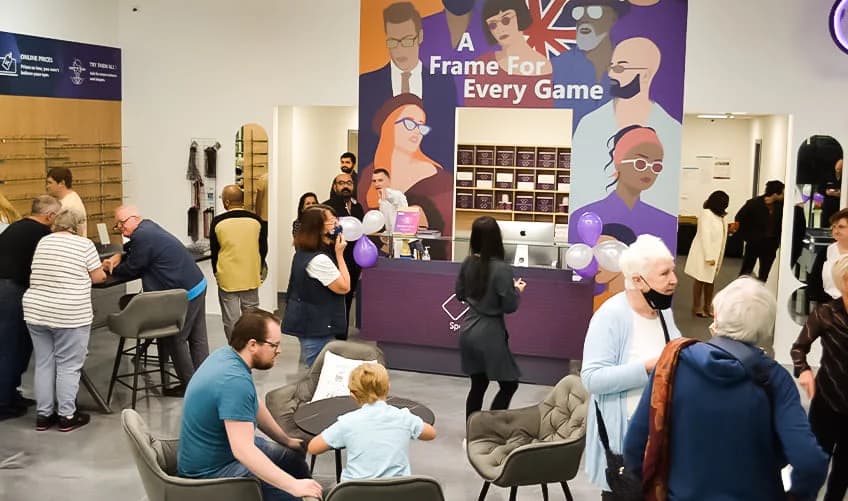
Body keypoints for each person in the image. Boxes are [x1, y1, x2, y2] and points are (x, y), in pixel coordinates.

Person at [625, 277, 828, 500]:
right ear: (767, 327)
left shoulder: (673, 364)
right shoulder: (776, 379)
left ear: (717, 315)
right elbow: (810, 462)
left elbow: (635, 445)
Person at [177, 309, 322, 501]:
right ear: (253, 345)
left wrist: (285, 440)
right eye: (274, 345)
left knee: (291, 456)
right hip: (211, 473)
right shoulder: (234, 381)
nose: (279, 351)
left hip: (219, 452)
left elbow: (254, 404)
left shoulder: (227, 356)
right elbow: (243, 451)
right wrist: (293, 486)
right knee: (290, 495)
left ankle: (308, 489)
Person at [580, 234, 681, 495]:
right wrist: (647, 367)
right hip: (624, 446)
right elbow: (592, 378)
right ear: (638, 280)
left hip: (659, 439)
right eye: (665, 274)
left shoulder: (664, 312)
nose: (674, 280)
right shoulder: (610, 317)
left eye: (673, 271)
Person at [102, 205, 209, 393]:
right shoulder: (148, 227)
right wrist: (119, 255)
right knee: (197, 338)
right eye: (118, 224)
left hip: (186, 293)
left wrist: (111, 268)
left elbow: (133, 266)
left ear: (135, 218)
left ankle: (189, 387)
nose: (120, 227)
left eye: (122, 222)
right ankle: (204, 383)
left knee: (177, 339)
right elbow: (134, 249)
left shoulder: (142, 236)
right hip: (197, 284)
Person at [571, 37, 681, 218]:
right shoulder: (589, 125)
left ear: (645, 74)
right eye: (612, 67)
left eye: (620, 68)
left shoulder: (671, 129)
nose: (612, 75)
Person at [23, 209, 107, 431]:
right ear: (78, 226)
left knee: (43, 363)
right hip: (69, 313)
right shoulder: (84, 245)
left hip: (36, 310)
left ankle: (43, 415)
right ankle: (67, 416)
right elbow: (98, 277)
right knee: (69, 366)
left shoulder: (43, 242)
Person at [358, 1, 457, 172]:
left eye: (407, 40)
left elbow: (446, 137)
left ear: (420, 36)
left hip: (430, 176)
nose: (400, 50)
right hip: (381, 176)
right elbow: (368, 139)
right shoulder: (368, 84)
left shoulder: (443, 84)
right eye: (393, 42)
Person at [307, 362, 437, 481]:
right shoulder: (403, 417)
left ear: (353, 394)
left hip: (355, 494)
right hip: (397, 493)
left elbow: (313, 447)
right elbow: (431, 434)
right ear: (388, 387)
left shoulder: (347, 422)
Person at [455, 216, 526, 420]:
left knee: (478, 384)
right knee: (509, 384)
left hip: (468, 329)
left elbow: (460, 294)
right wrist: (516, 290)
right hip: (490, 334)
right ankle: (491, 427)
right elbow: (510, 306)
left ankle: (472, 430)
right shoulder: (502, 269)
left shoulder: (468, 262)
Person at [358, 93, 454, 243]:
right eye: (409, 123)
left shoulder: (441, 179)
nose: (416, 130)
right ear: (389, 124)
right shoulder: (368, 175)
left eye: (421, 126)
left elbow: (444, 231)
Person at [792, 253, 848, 500]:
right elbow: (798, 348)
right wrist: (803, 370)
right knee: (815, 460)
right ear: (843, 282)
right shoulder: (826, 313)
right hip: (827, 399)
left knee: (844, 470)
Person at [569, 125, 677, 250]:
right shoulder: (583, 218)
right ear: (618, 161)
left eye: (656, 166)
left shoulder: (666, 221)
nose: (649, 170)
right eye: (640, 163)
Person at [0, 195, 60, 421]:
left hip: (7, 288)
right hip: (11, 290)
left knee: (16, 345)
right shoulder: (42, 234)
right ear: (50, 216)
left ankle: (11, 394)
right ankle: (3, 403)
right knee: (11, 347)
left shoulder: (17, 227)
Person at [282, 205, 350, 367]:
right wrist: (340, 255)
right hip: (315, 325)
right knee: (317, 372)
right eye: (331, 222)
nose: (336, 226)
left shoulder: (306, 252)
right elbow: (344, 286)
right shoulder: (318, 260)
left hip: (313, 321)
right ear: (318, 228)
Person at [552, 0, 629, 126]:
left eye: (594, 12)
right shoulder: (556, 67)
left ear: (613, 18)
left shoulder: (630, 65)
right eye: (579, 13)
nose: (584, 19)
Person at [464, 0, 552, 108]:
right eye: (493, 25)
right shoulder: (481, 65)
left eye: (505, 20)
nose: (500, 29)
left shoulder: (543, 66)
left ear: (520, 16)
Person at [210, 185, 268, 341]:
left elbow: (214, 252)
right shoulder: (256, 221)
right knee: (251, 316)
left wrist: (216, 272)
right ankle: (251, 347)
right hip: (250, 275)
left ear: (227, 202)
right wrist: (258, 268)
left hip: (227, 277)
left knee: (231, 319)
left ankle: (234, 349)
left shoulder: (217, 222)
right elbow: (263, 249)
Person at [324, 174, 364, 339]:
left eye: (348, 183)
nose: (345, 186)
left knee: (348, 299)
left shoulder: (357, 207)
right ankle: (329, 334)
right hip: (334, 259)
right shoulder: (327, 208)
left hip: (353, 261)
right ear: (335, 186)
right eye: (341, 183)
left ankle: (342, 334)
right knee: (333, 299)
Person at [684, 190, 729, 317]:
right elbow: (705, 235)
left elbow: (719, 233)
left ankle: (707, 307)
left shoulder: (721, 216)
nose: (726, 206)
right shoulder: (706, 214)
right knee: (700, 280)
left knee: (710, 281)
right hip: (704, 254)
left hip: (716, 254)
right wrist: (709, 256)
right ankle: (696, 307)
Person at [734, 180, 785, 282]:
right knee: (745, 272)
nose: (784, 195)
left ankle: (758, 295)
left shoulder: (782, 206)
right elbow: (739, 218)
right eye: (783, 192)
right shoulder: (753, 203)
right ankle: (740, 292)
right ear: (776, 193)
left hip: (770, 245)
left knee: (764, 275)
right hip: (753, 243)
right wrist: (746, 237)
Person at [45, 167, 87, 237]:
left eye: (50, 183)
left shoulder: (68, 206)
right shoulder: (68, 199)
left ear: (61, 183)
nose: (47, 186)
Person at [373, 168, 408, 232]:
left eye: (380, 180)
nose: (376, 184)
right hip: (394, 240)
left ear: (389, 181)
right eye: (374, 181)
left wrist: (385, 192)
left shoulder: (398, 195)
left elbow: (393, 197)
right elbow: (389, 226)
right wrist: (385, 234)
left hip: (407, 240)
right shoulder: (381, 202)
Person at [819, 157, 843, 228]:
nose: (838, 168)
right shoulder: (827, 176)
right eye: (837, 166)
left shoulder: (845, 177)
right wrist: (826, 192)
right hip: (827, 206)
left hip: (839, 206)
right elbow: (820, 190)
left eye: (840, 167)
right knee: (825, 225)